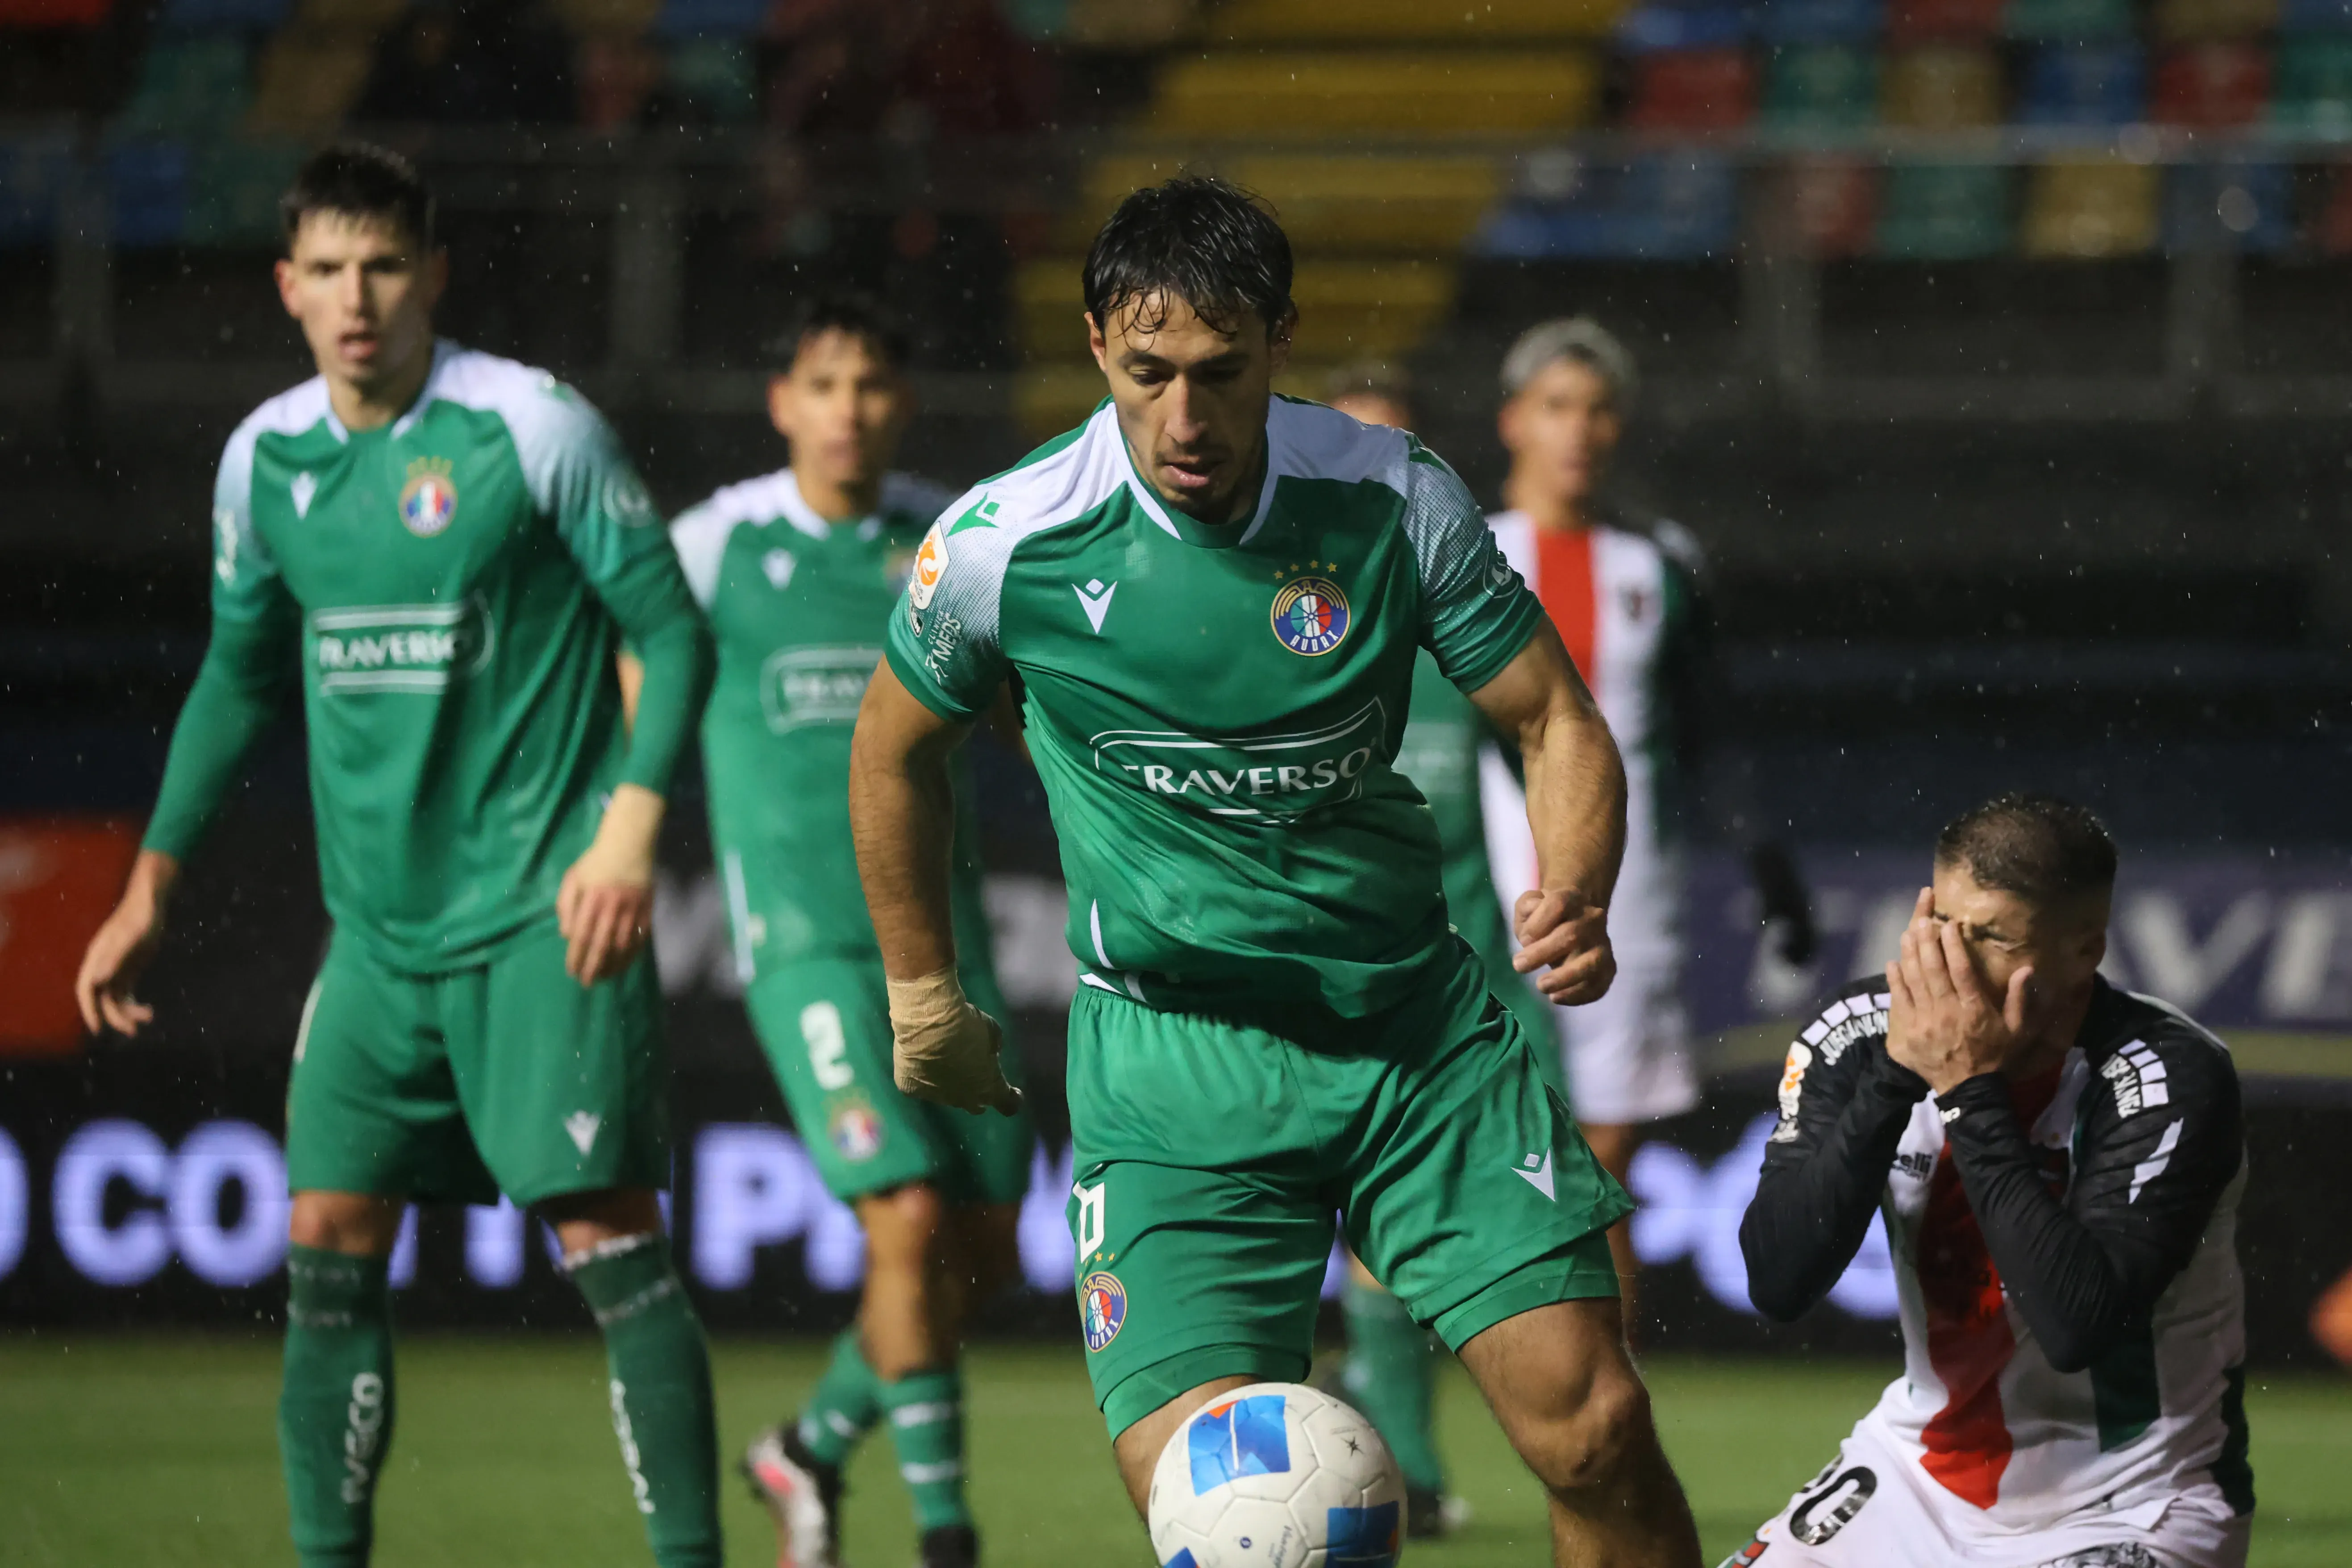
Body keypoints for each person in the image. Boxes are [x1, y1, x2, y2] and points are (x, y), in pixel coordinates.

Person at [848, 176, 1703, 1565]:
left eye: (1219, 374)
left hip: (1411, 1045)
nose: (1184, 419)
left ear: (1278, 345)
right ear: (1094, 348)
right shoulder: (1005, 542)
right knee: (1223, 1514)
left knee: (1593, 1429)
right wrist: (920, 997)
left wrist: (1577, 880)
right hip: (1173, 1068)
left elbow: (1551, 716)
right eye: (1148, 375)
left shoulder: (1390, 495)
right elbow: (889, 752)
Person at [70, 144, 722, 1568]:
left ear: (432, 273)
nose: (356, 298)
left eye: (383, 267)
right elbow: (238, 679)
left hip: (545, 919)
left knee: (606, 1240)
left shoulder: (531, 427)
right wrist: (151, 887)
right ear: (287, 287)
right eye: (327, 271)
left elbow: (668, 631)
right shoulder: (266, 462)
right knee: (326, 1239)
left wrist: (626, 829)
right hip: (373, 938)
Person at [651, 293, 1032, 1568]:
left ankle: (807, 1448)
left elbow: (1028, 704)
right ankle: (947, 1534)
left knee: (983, 1247)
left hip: (944, 947)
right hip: (806, 945)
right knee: (907, 1221)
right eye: (823, 385)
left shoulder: (951, 539)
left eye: (870, 385)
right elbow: (634, 681)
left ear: (902, 403)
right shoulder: (711, 547)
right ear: (782, 405)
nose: (847, 410)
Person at [1735, 794, 2251, 1568]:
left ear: (2085, 952)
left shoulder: (2170, 1074)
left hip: (2131, 1505)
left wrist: (1969, 1090)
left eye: (1994, 938)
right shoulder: (1858, 1037)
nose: (1951, 962)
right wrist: (1896, 1079)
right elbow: (1778, 1283)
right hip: (1914, 1482)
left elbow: (2076, 1324)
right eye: (1941, 923)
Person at [1482, 317, 1815, 1330]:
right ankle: (1421, 1399)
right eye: (1556, 407)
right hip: (1475, 897)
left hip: (1627, 902)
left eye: (1597, 409)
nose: (1578, 430)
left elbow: (1711, 727)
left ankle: (1598, 1406)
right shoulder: (1465, 554)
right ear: (1513, 423)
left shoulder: (1658, 562)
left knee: (1596, 1167)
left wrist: (1769, 863)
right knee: (1493, 1167)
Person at [1318, 360, 1568, 1539]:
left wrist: (1570, 883)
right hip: (1342, 985)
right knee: (1380, 1220)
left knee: (1508, 1221)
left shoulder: (1452, 615)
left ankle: (1385, 1425)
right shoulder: (1286, 630)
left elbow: (1551, 738)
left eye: (1394, 452)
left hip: (1479, 976)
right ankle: (1401, 1458)